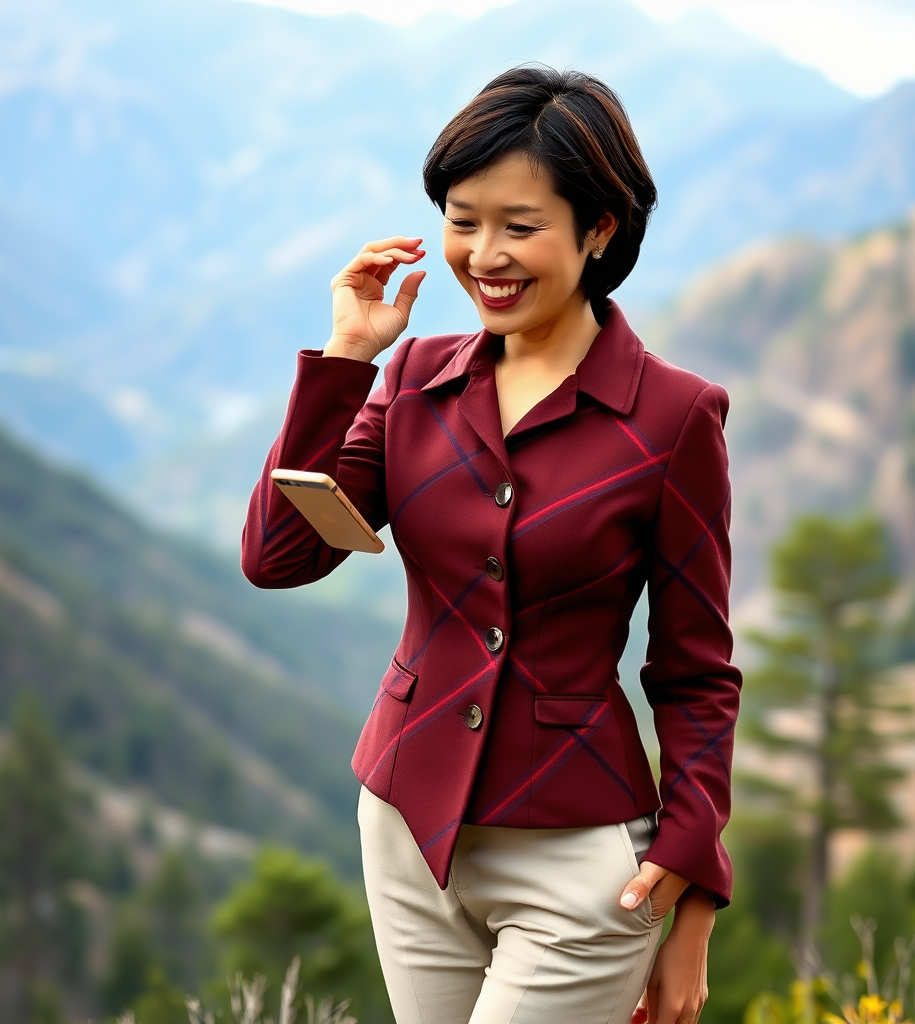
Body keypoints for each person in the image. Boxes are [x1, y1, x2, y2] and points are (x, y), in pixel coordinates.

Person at [242, 66, 741, 1024]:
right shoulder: (416, 379)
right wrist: (347, 362)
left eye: (520, 226)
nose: (484, 255)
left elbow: (695, 668)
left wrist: (696, 892)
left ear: (599, 229)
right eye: (462, 220)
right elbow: (278, 556)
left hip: (580, 859)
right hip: (404, 830)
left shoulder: (676, 418)